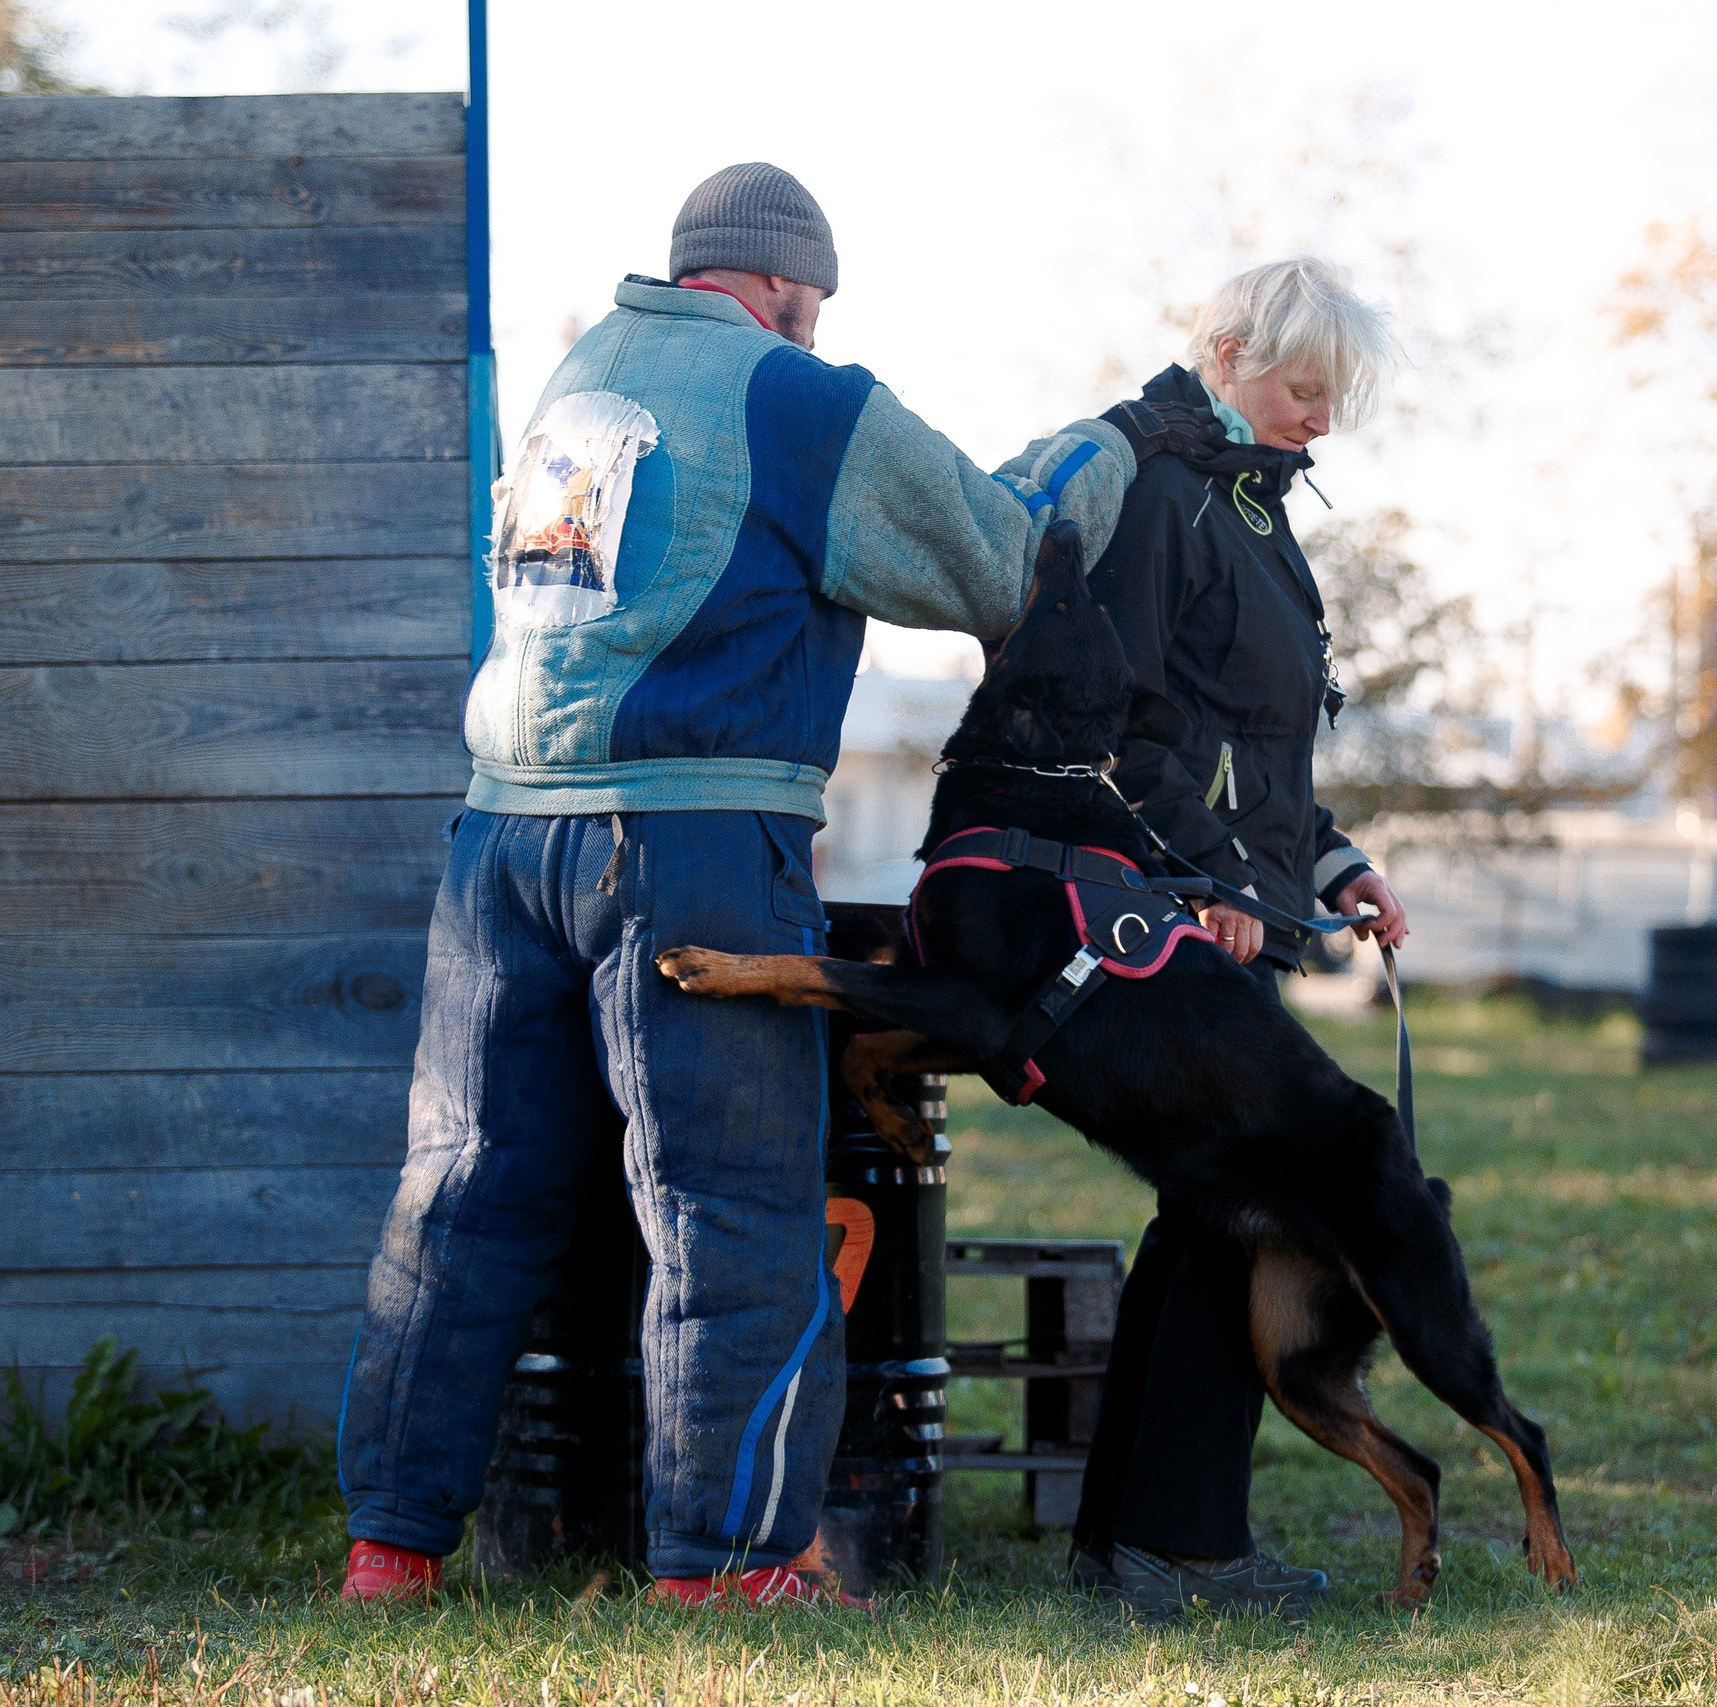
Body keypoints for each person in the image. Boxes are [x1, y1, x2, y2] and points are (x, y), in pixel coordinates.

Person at [334, 163, 1221, 1609]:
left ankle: (391, 1547)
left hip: (498, 845)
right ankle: (730, 1565)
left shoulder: (582, 386)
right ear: (790, 289)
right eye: (814, 304)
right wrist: (1111, 440)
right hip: (687, 847)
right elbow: (1005, 559)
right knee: (729, 1205)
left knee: (464, 1193)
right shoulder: (795, 397)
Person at [1070, 256, 1409, 1618]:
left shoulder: (1252, 507)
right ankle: (1186, 1551)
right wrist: (1202, 877)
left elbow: (1255, 753)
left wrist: (1334, 861)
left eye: (1335, 399)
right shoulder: (1166, 496)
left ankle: (1126, 1542)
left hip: (1245, 912)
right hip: (1180, 926)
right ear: (1226, 353)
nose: (1321, 419)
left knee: (1204, 1217)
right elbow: (1114, 725)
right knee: (1240, 1213)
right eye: (1303, 389)